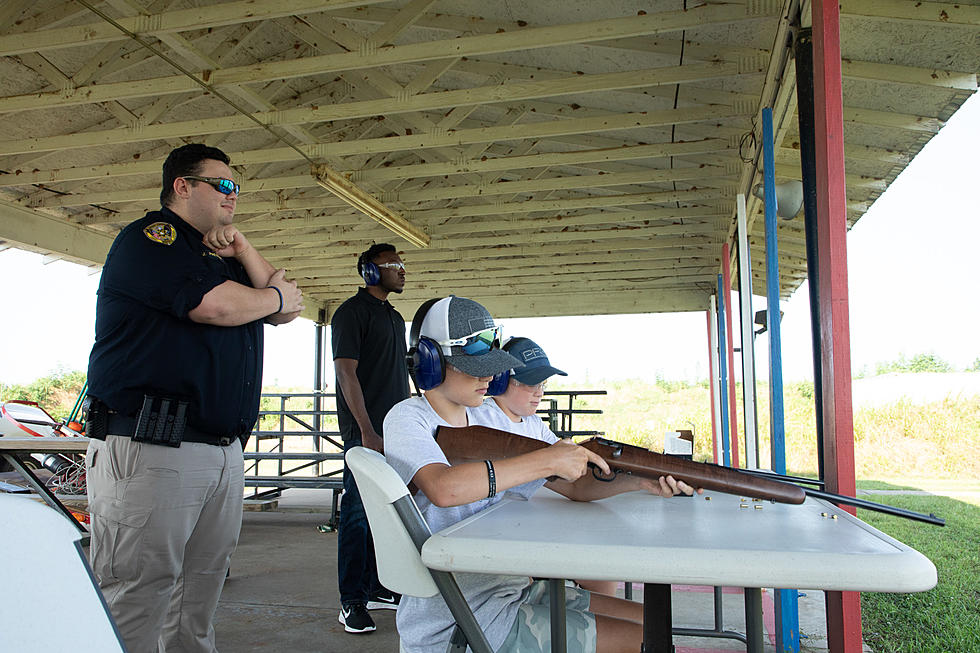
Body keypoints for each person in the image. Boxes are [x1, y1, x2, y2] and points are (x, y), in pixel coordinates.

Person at [385, 296, 698, 653]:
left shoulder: (486, 419)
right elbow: (444, 488)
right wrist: (548, 459)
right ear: (430, 362)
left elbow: (575, 486)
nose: (489, 375)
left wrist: (641, 480)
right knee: (648, 641)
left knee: (655, 623)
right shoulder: (409, 417)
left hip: (508, 590)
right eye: (476, 366)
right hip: (461, 618)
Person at [85, 143, 303, 653]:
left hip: (219, 452)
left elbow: (286, 307)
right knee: (136, 599)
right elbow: (220, 308)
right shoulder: (152, 240)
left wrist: (244, 249)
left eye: (237, 188)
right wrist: (271, 298)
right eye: (222, 185)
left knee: (196, 604)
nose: (233, 195)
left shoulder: (215, 256)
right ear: (183, 186)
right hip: (153, 448)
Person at [476, 336, 619, 598]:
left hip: (530, 526)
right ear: (500, 379)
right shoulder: (482, 418)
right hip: (496, 536)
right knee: (522, 585)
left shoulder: (532, 423)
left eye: (542, 383)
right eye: (531, 382)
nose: (539, 391)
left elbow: (571, 476)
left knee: (602, 578)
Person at [331, 243, 411, 634]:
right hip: (367, 433)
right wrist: (365, 430)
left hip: (394, 431)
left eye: (402, 264)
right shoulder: (350, 314)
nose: (402, 270)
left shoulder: (395, 318)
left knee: (386, 513)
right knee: (358, 516)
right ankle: (351, 601)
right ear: (369, 272)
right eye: (393, 265)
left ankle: (378, 586)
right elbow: (347, 374)